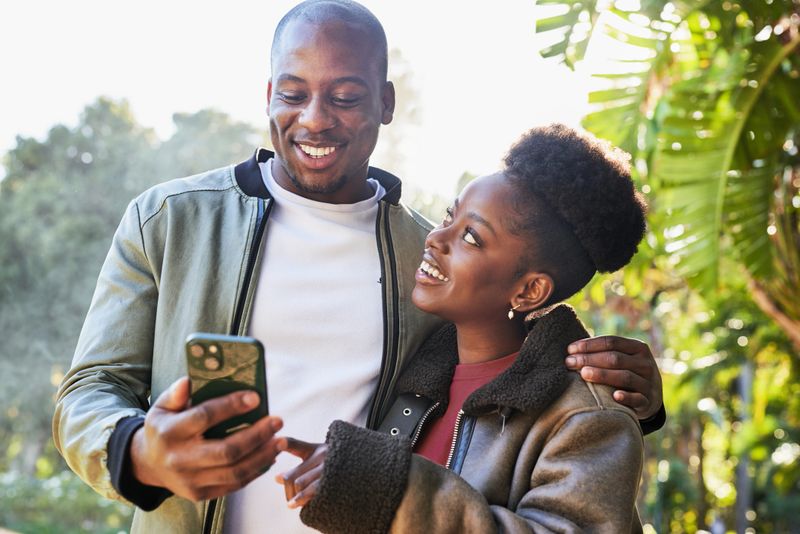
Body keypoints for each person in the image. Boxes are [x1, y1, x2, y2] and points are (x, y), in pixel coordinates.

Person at [52, 1, 664, 533]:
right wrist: (139, 453)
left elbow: (513, 353)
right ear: (269, 95)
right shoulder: (168, 220)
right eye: (293, 93)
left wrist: (628, 394)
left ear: (386, 102)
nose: (315, 118)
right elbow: (89, 391)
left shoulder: (423, 256)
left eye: (345, 97)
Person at [278, 124, 648, 532]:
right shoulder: (419, 367)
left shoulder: (585, 417)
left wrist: (390, 488)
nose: (436, 237)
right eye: (449, 217)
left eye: (470, 236)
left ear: (529, 291)